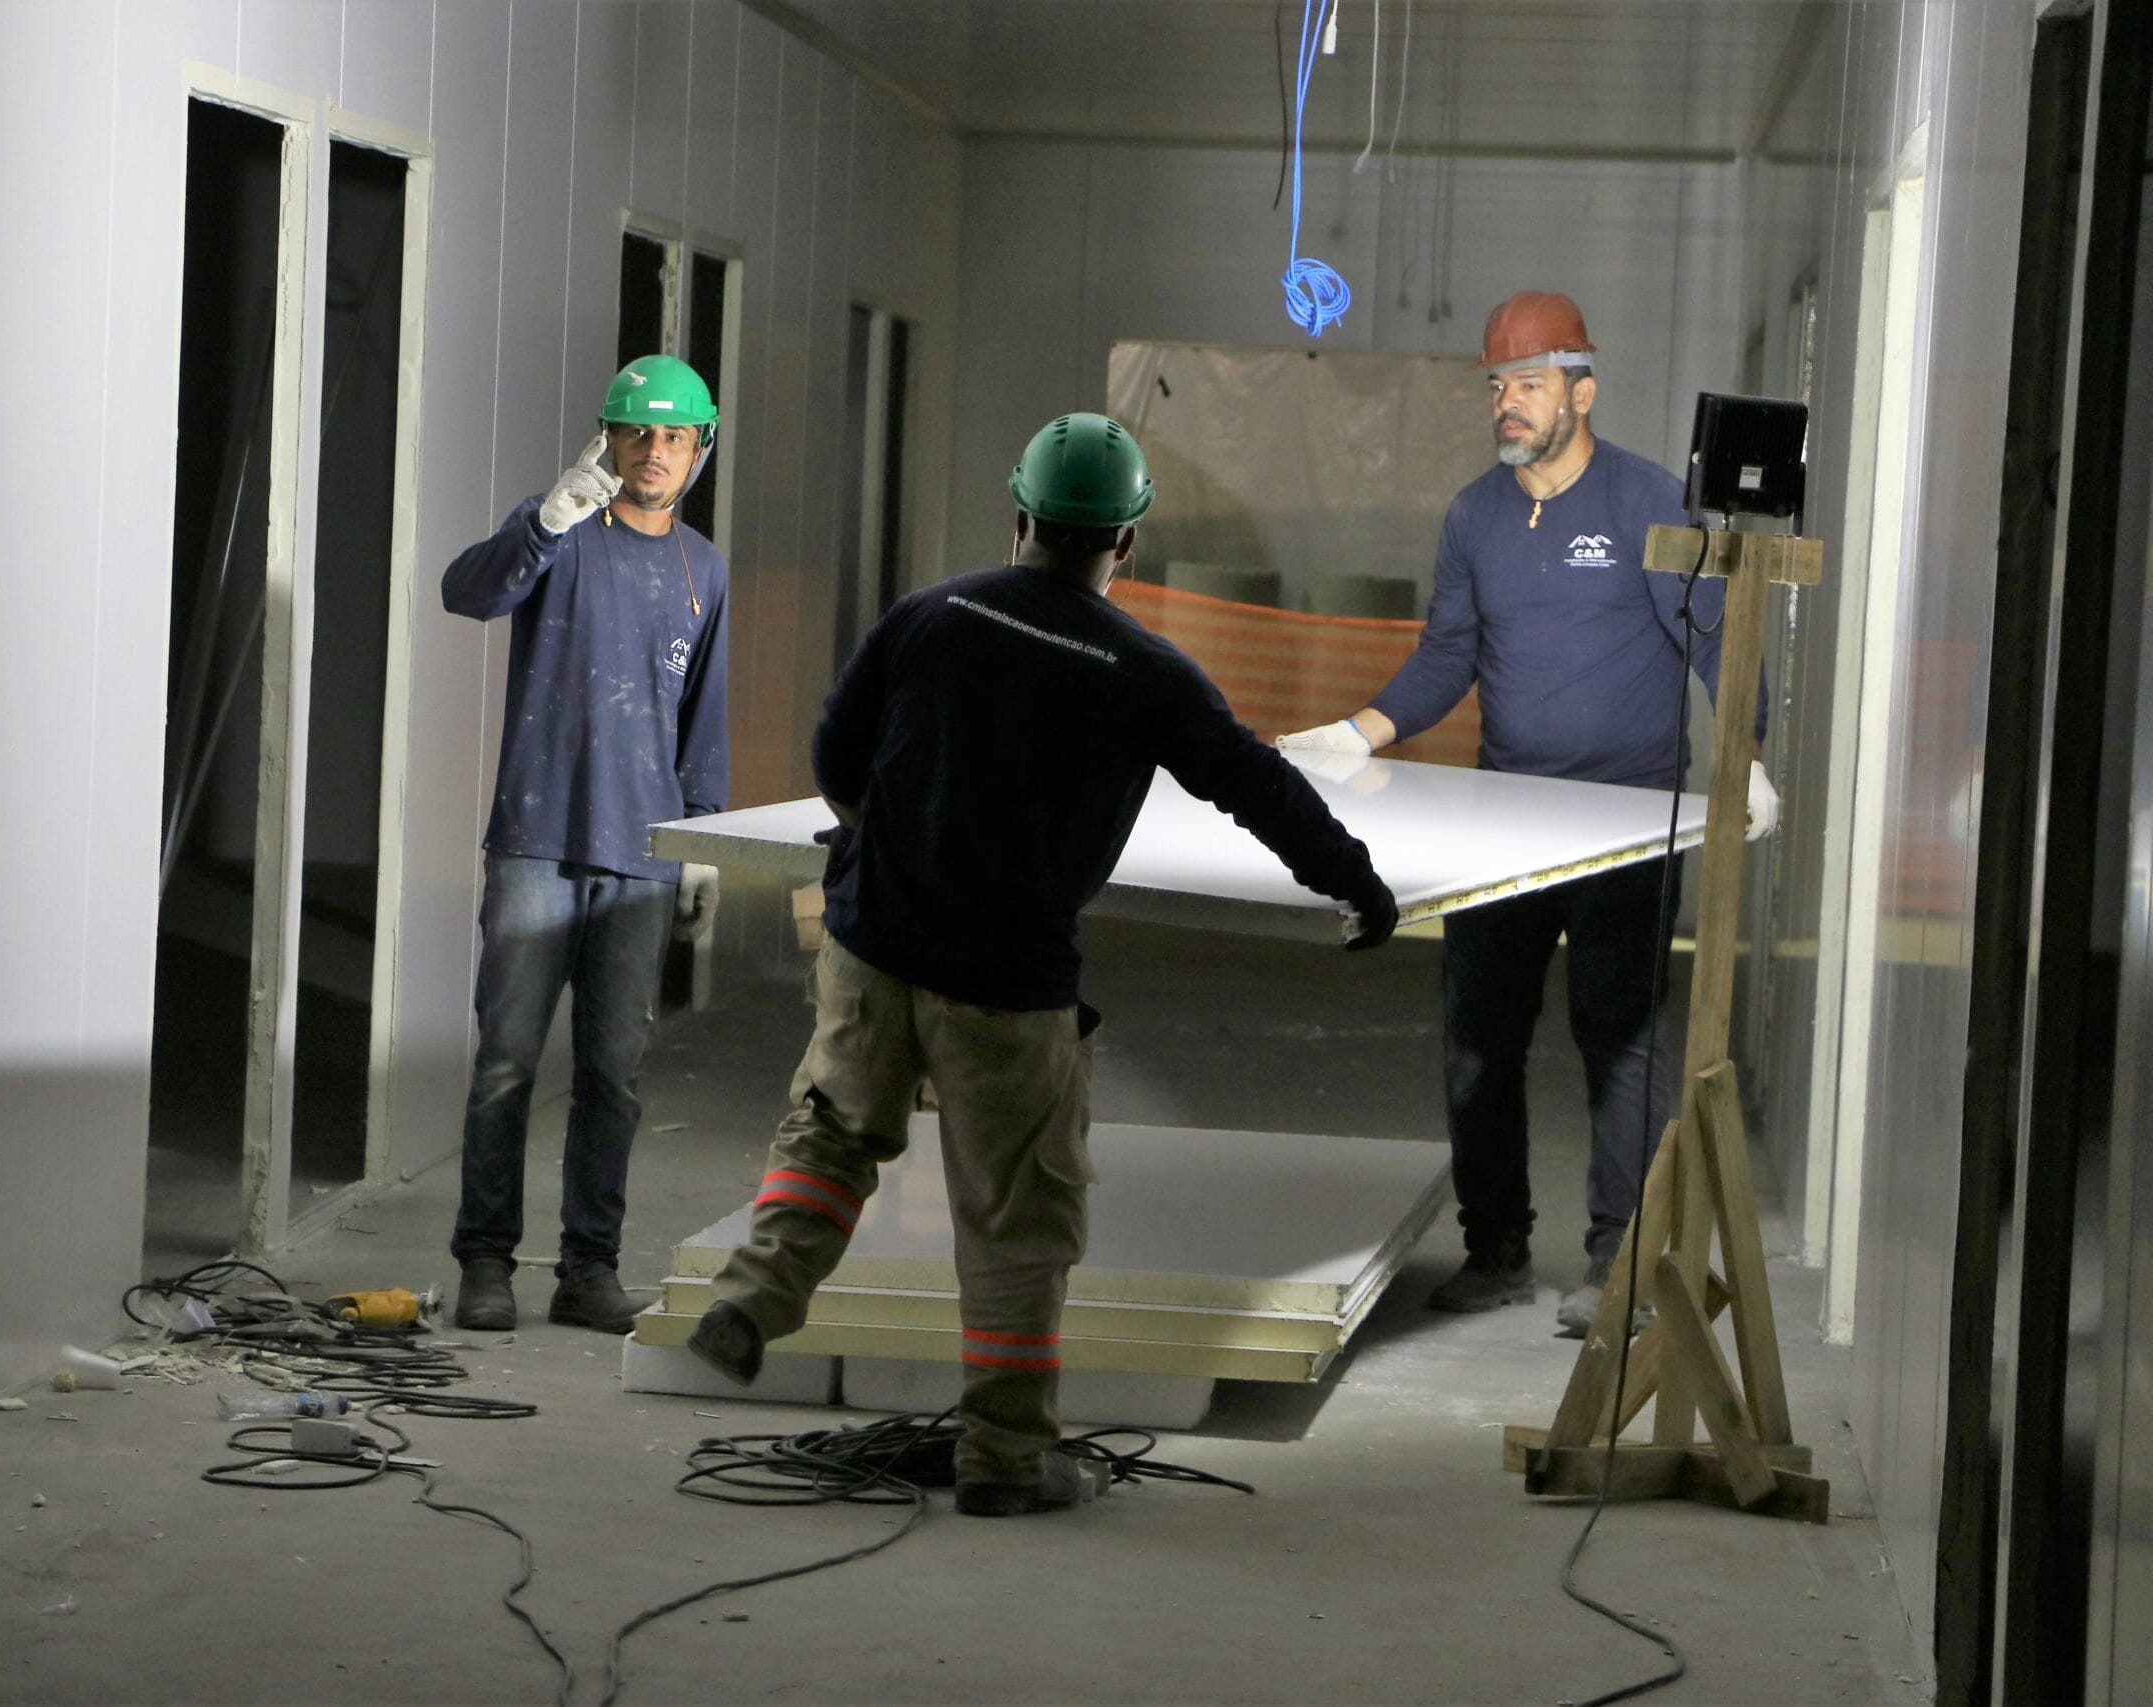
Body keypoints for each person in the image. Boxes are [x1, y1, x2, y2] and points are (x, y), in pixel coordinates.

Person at [681, 413, 1397, 1516]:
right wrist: (1353, 877)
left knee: (831, 1131)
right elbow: (1255, 784)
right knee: (1017, 1218)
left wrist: (879, 835)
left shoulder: (932, 614)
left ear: (1017, 518)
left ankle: (754, 1299)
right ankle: (1004, 1464)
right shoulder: (1147, 670)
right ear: (1128, 542)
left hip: (872, 948)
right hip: (1006, 985)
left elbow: (836, 749)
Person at [1278, 290, 1778, 1337]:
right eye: (1497, 385)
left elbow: (1719, 644)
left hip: (1625, 825)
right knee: (1476, 1039)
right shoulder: (1475, 516)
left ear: (1581, 391)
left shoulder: (1654, 502)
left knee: (1620, 1040)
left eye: (1530, 384)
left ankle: (1616, 1263)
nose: (1507, 404)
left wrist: (1746, 758)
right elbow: (1447, 656)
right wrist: (1356, 732)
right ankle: (1494, 1247)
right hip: (1498, 824)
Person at [437, 355, 729, 1336]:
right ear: (605, 440)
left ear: (700, 451)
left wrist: (705, 847)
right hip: (536, 840)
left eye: (674, 437)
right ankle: (485, 1265)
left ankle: (586, 1272)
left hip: (641, 858)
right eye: (637, 433)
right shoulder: (559, 534)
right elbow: (466, 595)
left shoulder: (705, 569)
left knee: (613, 1077)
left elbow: (705, 721)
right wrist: (538, 523)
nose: (654, 453)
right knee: (507, 1063)